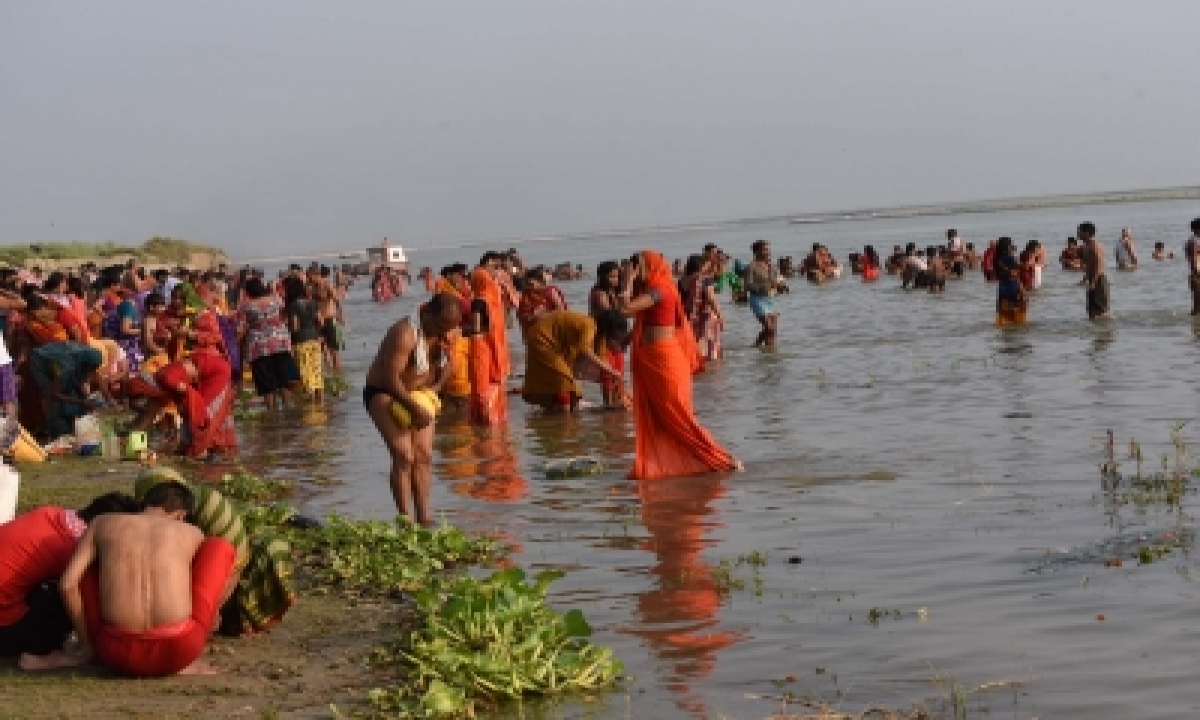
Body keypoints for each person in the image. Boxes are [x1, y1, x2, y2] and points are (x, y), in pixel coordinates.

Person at [53, 482, 235, 677]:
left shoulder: (101, 523)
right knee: (218, 548)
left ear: (146, 504)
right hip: (180, 651)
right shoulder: (192, 533)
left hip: (115, 652)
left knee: (84, 560)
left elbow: (67, 585)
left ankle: (86, 648)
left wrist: (87, 646)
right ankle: (195, 646)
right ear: (181, 515)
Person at [618, 251, 739, 480]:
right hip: (652, 360)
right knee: (659, 418)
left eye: (636, 267)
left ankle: (723, 460)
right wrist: (625, 341)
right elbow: (651, 321)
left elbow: (625, 309)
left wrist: (626, 282)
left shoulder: (660, 290)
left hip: (665, 361)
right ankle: (682, 465)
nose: (633, 271)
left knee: (678, 417)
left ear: (650, 267)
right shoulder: (654, 291)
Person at [134, 466, 294, 637]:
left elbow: (233, 565)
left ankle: (241, 619)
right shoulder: (140, 519)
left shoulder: (209, 505)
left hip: (230, 586)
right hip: (181, 590)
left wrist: (212, 611)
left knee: (275, 546)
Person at [0, 493, 140, 669]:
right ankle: (37, 656)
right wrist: (88, 644)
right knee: (73, 590)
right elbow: (69, 589)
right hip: (4, 628)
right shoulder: (72, 548)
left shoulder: (49, 513)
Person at [363, 293, 460, 524]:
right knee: (404, 455)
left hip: (419, 394)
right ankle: (404, 519)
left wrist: (435, 388)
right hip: (384, 392)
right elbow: (389, 377)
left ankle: (424, 516)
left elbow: (451, 363)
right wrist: (413, 408)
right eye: (439, 326)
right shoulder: (405, 333)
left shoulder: (445, 334)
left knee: (424, 456)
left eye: (448, 328)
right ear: (426, 313)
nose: (443, 332)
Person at [128, 313, 237, 458]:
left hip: (211, 375)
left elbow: (169, 377)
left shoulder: (196, 358)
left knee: (204, 415)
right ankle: (138, 449)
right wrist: (183, 388)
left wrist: (183, 388)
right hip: (180, 378)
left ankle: (200, 450)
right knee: (198, 417)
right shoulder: (166, 377)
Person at [521, 310, 623, 412]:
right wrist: (610, 370)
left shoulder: (600, 336)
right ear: (609, 329)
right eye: (615, 335)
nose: (615, 339)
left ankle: (554, 417)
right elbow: (585, 349)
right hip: (542, 341)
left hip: (554, 345)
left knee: (563, 389)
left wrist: (615, 391)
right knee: (565, 383)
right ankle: (566, 422)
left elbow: (602, 360)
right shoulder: (590, 325)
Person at [238, 277, 292, 410]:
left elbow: (241, 328)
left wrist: (238, 345)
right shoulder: (276, 299)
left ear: (248, 291)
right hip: (280, 343)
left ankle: (272, 413)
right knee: (283, 380)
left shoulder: (246, 306)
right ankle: (289, 410)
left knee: (266, 384)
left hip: (258, 348)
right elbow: (285, 315)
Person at [466, 266, 508, 426]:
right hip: (496, 347)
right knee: (494, 385)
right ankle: (496, 418)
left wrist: (460, 329)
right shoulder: (494, 299)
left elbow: (476, 327)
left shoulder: (478, 301)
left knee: (480, 385)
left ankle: (483, 421)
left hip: (480, 346)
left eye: (472, 280)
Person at [284, 277, 324, 403]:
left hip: (301, 341)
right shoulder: (312, 303)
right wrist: (315, 330)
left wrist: (289, 330)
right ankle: (320, 399)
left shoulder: (294, 305)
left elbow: (295, 327)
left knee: (305, 371)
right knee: (316, 369)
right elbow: (321, 321)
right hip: (315, 339)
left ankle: (311, 400)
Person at [681, 255, 724, 361]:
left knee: (695, 341)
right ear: (701, 266)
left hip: (688, 317)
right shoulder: (705, 279)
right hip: (705, 316)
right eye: (706, 265)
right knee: (710, 344)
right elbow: (711, 299)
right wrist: (720, 315)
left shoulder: (683, 280)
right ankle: (710, 369)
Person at [743, 240, 779, 347]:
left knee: (772, 331)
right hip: (757, 299)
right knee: (769, 327)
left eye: (768, 249)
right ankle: (755, 345)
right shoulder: (751, 267)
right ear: (757, 252)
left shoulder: (771, 266)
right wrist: (764, 288)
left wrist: (779, 286)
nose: (768, 252)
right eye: (765, 249)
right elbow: (748, 285)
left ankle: (769, 353)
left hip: (769, 299)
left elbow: (774, 281)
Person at [517, 269, 566, 338]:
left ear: (540, 282)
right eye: (527, 284)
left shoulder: (550, 292)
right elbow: (522, 315)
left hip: (552, 330)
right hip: (534, 332)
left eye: (531, 284)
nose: (529, 287)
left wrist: (543, 315)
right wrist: (533, 316)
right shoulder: (526, 295)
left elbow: (561, 311)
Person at [1079, 222, 1109, 319]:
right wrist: (1085, 279)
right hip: (1092, 280)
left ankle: (1104, 332)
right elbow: (1089, 265)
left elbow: (1099, 265)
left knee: (1102, 312)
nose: (1078, 234)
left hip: (1099, 280)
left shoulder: (1095, 246)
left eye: (1080, 231)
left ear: (1087, 233)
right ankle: (1093, 333)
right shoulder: (1085, 247)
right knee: (1091, 313)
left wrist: (1094, 282)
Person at [995, 237, 1027, 326]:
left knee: (1002, 314)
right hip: (1012, 286)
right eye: (1011, 244)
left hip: (1002, 287)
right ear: (1007, 246)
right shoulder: (1010, 258)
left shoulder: (997, 258)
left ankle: (1004, 335)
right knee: (1018, 313)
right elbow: (1016, 273)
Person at [1186, 218, 1200, 315]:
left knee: (1197, 305)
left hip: (1196, 274)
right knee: (1197, 306)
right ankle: (1196, 329)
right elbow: (1194, 260)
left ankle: (1196, 328)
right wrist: (1197, 272)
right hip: (1197, 275)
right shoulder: (1194, 242)